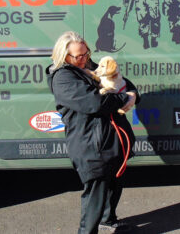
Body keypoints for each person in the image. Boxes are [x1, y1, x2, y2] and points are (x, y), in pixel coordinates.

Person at [46, 31, 140, 234]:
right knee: (95, 196)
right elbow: (94, 103)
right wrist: (125, 99)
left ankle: (108, 222)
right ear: (64, 56)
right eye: (77, 56)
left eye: (86, 53)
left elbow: (122, 81)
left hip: (111, 142)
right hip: (90, 146)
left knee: (114, 184)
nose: (84, 59)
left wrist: (133, 94)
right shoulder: (63, 77)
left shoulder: (88, 66)